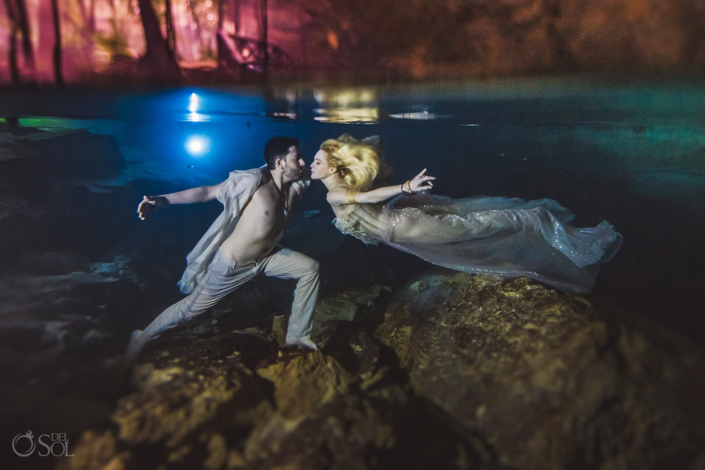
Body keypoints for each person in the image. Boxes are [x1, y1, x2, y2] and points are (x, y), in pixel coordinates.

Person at [309, 134, 622, 293]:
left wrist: (405, 186)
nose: (312, 164)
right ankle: (528, 218)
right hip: (397, 223)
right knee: (462, 219)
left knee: (469, 228)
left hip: (402, 225)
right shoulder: (338, 183)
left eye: (317, 161)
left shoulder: (335, 192)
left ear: (333, 167)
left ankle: (531, 217)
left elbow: (366, 195)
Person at [125, 136, 319, 364]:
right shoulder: (254, 182)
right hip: (232, 265)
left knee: (310, 269)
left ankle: (297, 335)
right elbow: (207, 192)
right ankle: (141, 338)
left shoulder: (297, 183)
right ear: (280, 163)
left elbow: (329, 168)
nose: (304, 162)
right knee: (188, 312)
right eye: (297, 158)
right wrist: (161, 200)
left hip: (268, 257)